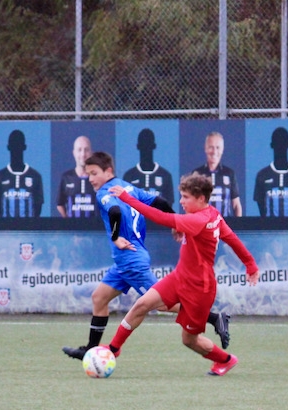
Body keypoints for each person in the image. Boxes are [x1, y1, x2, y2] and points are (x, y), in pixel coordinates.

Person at [61, 152, 231, 360]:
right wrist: (175, 222)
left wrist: (115, 237)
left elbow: (115, 211)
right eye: (88, 174)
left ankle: (213, 318)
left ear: (108, 171)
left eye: (94, 173)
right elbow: (159, 201)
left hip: (130, 259)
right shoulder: (127, 187)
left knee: (160, 303)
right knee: (99, 297)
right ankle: (90, 349)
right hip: (125, 261)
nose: (90, 179)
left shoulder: (105, 192)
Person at [105, 173, 259, 376]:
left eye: (186, 197)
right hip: (179, 278)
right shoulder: (212, 214)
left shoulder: (198, 220)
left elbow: (160, 217)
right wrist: (250, 265)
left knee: (189, 340)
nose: (181, 201)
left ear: (201, 198)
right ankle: (113, 349)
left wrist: (127, 198)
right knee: (142, 304)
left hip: (199, 289)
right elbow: (232, 239)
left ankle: (226, 360)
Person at [252, 127, 288, 217]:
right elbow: (261, 208)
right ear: (272, 145)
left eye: (283, 143)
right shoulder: (262, 175)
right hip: (270, 226)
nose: (280, 147)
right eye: (277, 143)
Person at [0, 129, 43, 217]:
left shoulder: (35, 176)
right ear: (8, 147)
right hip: (6, 226)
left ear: (24, 147)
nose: (16, 148)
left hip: (29, 226)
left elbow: (38, 209)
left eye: (19, 145)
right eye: (14, 145)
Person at [192, 131, 241, 217]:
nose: (214, 151)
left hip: (224, 223)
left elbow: (236, 205)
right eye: (211, 147)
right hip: (203, 224)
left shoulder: (229, 173)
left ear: (222, 150)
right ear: (205, 148)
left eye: (218, 147)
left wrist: (239, 224)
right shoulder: (197, 174)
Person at [122, 128, 174, 205]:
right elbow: (124, 204)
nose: (146, 148)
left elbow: (169, 205)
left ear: (154, 146)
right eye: (143, 145)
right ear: (138, 146)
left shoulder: (165, 176)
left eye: (149, 145)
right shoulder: (129, 176)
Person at [55, 135, 97, 218]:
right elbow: (60, 204)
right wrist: (68, 221)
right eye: (79, 150)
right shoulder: (66, 177)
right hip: (73, 226)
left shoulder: (98, 178)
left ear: (91, 153)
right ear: (74, 153)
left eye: (86, 150)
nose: (83, 154)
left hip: (94, 226)